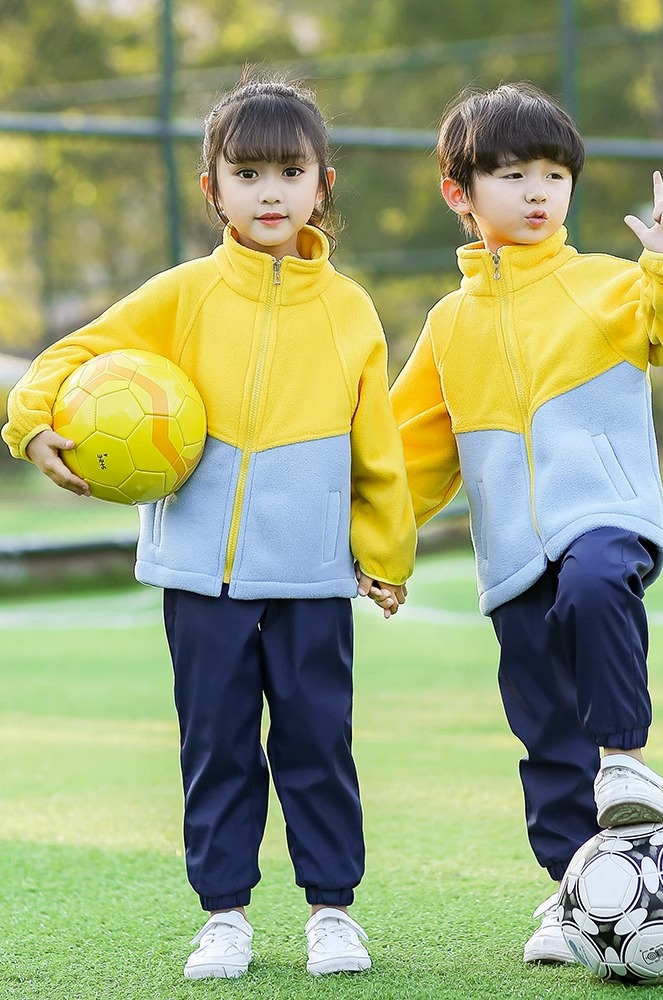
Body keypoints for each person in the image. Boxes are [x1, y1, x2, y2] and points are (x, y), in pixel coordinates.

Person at [2, 73, 416, 979]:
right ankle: (224, 914)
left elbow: (376, 445)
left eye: (290, 171)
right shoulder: (180, 295)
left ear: (322, 184)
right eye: (249, 172)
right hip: (201, 580)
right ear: (213, 188)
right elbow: (70, 354)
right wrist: (31, 423)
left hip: (310, 578)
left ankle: (331, 912)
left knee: (318, 743)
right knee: (216, 746)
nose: (271, 192)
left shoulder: (349, 310)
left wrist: (383, 554)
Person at [390, 81, 663, 964]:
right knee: (543, 732)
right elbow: (411, 455)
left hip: (607, 517)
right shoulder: (449, 325)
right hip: (510, 561)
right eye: (511, 174)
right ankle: (574, 892)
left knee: (599, 581)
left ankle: (627, 758)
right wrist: (382, 551)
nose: (538, 192)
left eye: (554, 175)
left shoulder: (611, 285)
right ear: (461, 193)